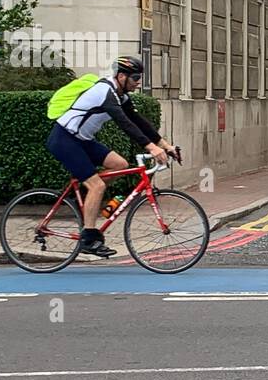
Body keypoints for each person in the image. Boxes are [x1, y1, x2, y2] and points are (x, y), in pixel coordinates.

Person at [46, 56, 178, 257]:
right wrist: (151, 148)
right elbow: (125, 124)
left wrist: (165, 146)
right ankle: (88, 239)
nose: (138, 82)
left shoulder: (120, 95)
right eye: (135, 78)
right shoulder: (104, 92)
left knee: (120, 164)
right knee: (97, 185)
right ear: (121, 76)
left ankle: (86, 195)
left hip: (82, 139)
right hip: (64, 138)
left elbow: (138, 121)